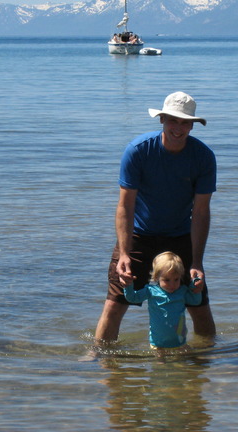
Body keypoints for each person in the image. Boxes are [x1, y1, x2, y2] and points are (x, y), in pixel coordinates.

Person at [94, 91, 217, 346]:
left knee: (199, 304)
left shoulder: (203, 157)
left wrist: (197, 261)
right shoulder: (138, 151)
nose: (178, 128)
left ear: (192, 125)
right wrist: (124, 254)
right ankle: (99, 357)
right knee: (115, 302)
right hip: (138, 235)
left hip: (180, 236)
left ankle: (207, 358)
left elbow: (201, 212)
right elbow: (125, 205)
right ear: (162, 119)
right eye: (173, 120)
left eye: (185, 122)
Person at [123, 251, 202, 350]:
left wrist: (195, 287)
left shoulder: (182, 291)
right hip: (157, 343)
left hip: (180, 341)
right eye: (167, 280)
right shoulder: (150, 291)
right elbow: (133, 298)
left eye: (176, 279)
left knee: (185, 358)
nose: (172, 285)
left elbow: (195, 301)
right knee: (159, 360)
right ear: (156, 277)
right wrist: (128, 286)